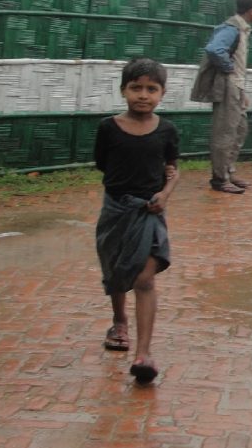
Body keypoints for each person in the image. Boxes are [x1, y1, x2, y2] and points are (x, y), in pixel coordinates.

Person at [95, 57, 180, 385]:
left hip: (150, 212)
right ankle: (119, 321)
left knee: (144, 278)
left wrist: (166, 193)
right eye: (136, 88)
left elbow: (173, 169)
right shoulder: (108, 128)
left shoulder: (168, 130)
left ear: (162, 93)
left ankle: (143, 353)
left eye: (151, 89)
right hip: (116, 211)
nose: (143, 95)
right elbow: (104, 165)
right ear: (123, 91)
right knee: (117, 273)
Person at [191, 0, 252, 194]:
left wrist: (241, 88)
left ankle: (229, 172)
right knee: (225, 132)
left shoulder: (242, 29)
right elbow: (214, 49)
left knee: (240, 129)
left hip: (236, 86)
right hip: (229, 86)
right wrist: (229, 69)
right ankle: (220, 179)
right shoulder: (232, 28)